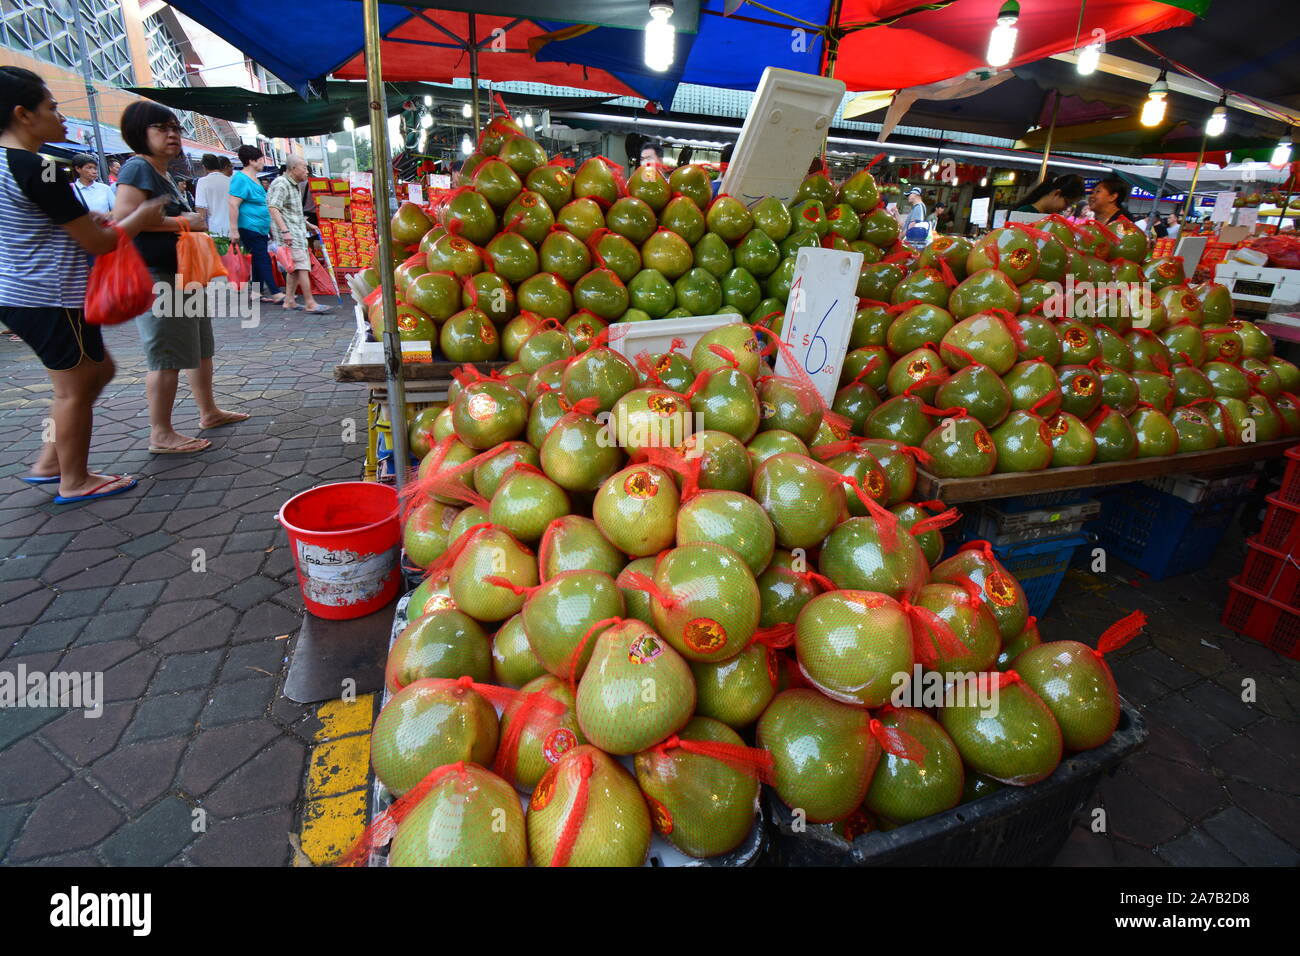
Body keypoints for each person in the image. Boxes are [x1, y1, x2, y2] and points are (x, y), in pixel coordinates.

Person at [0, 66, 165, 503]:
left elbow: (34, 222)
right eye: (52, 107)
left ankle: (51, 459)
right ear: (23, 114)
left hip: (21, 292)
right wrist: (140, 219)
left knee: (97, 372)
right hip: (50, 296)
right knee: (73, 389)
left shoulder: (10, 166)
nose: (61, 116)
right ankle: (73, 479)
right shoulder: (42, 167)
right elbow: (99, 241)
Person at [113, 100, 249, 456]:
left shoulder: (163, 174)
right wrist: (185, 222)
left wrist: (184, 221)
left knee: (200, 349)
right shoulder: (136, 169)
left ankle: (209, 412)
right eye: (161, 128)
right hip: (157, 277)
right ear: (139, 135)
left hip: (184, 274)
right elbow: (125, 220)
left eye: (176, 128)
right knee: (167, 356)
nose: (172, 135)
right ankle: (161, 433)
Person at [267, 155, 330, 314]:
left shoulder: (293, 184)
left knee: (294, 269)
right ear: (293, 168)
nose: (307, 171)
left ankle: (289, 300)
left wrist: (308, 224)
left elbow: (291, 211)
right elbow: (274, 208)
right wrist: (285, 231)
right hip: (290, 234)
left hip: (296, 230)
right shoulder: (282, 184)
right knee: (302, 266)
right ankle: (310, 303)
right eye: (304, 167)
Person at [228, 144, 282, 304]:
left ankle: (257, 293)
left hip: (259, 227)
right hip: (249, 226)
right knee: (262, 257)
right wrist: (234, 230)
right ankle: (276, 292)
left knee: (259, 258)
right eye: (260, 160)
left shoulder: (254, 179)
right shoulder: (240, 178)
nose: (262, 163)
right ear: (251, 161)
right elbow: (233, 204)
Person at [194, 152, 230, 240]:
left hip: (216, 232)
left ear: (204, 167)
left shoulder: (202, 182)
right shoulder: (231, 181)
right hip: (234, 230)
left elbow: (201, 209)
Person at [1015, 174, 1085, 214]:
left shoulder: (1053, 217)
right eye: (1067, 203)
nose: (1065, 208)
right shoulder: (1024, 212)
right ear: (1057, 193)